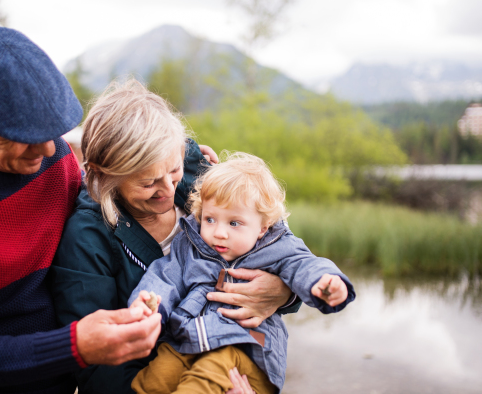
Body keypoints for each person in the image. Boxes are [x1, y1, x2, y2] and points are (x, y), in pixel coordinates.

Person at [0, 26, 162, 394]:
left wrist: (191, 167)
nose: (48, 152)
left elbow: (112, 209)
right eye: (21, 139)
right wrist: (74, 346)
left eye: (50, 132)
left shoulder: (54, 157)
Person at [51, 80, 302, 393]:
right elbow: (100, 372)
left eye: (173, 171)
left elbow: (277, 242)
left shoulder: (203, 179)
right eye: (148, 183)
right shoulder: (87, 239)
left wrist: (283, 290)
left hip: (236, 362)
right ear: (104, 174)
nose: (168, 190)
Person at [128, 152, 356, 394]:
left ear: (262, 227)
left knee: (208, 376)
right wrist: (148, 304)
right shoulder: (190, 246)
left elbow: (304, 264)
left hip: (247, 344)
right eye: (210, 219)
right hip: (189, 338)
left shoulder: (277, 247)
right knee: (155, 378)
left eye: (234, 223)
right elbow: (165, 277)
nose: (219, 233)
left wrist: (324, 281)